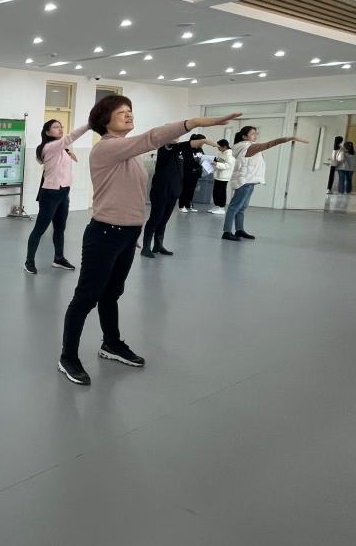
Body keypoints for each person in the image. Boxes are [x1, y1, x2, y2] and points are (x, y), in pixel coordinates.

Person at [57, 95, 239, 385]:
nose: (129, 115)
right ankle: (68, 357)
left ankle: (111, 343)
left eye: (130, 111)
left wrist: (135, 233)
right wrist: (192, 122)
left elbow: (131, 195)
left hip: (126, 234)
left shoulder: (128, 153)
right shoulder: (107, 148)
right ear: (104, 120)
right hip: (104, 234)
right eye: (121, 112)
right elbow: (151, 138)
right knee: (86, 297)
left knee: (112, 293)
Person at [24, 119, 89, 274]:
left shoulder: (61, 148)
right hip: (50, 194)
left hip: (63, 192)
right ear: (47, 132)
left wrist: (68, 153)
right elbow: (70, 137)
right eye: (55, 127)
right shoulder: (50, 146)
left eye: (61, 127)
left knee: (60, 228)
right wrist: (89, 125)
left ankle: (58, 258)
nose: (60, 129)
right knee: (40, 229)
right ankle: (29, 261)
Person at [222, 126, 307, 241]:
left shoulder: (246, 146)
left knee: (242, 207)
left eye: (256, 133)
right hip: (244, 181)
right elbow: (270, 144)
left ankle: (239, 230)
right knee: (235, 207)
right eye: (252, 133)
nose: (255, 135)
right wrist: (289, 138)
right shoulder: (247, 147)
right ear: (244, 137)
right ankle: (227, 232)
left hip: (249, 181)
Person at [141, 133, 215, 258]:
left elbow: (184, 168)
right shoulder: (165, 147)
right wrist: (205, 141)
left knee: (164, 220)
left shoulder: (180, 152)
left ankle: (158, 245)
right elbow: (184, 145)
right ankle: (146, 247)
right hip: (161, 191)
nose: (176, 136)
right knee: (155, 219)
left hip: (173, 191)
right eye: (173, 133)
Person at [177, 134, 205, 213]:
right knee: (185, 189)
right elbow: (186, 161)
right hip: (187, 172)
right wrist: (194, 165)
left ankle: (188, 205)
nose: (203, 144)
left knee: (191, 190)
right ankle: (181, 205)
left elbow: (203, 157)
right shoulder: (187, 148)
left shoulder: (200, 149)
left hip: (196, 173)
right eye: (202, 142)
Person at [208, 139, 234, 215]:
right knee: (216, 191)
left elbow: (228, 165)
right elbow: (220, 162)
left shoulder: (230, 154)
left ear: (224, 146)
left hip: (224, 177)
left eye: (219, 147)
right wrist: (215, 162)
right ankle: (217, 206)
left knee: (221, 192)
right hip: (218, 175)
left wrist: (216, 164)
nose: (218, 148)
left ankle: (221, 208)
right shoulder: (221, 153)